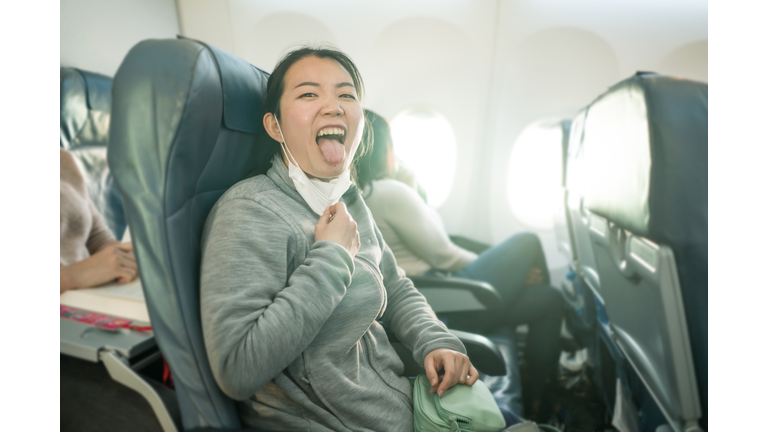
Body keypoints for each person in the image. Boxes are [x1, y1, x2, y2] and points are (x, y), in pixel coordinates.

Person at [199, 47, 520, 432]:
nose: (333, 107)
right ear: (275, 127)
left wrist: (436, 340)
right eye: (308, 94)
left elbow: (396, 286)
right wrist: (332, 256)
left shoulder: (346, 198)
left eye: (346, 94)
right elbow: (237, 368)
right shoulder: (250, 211)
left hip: (404, 404)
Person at [356, 109, 565, 419]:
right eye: (392, 145)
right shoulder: (389, 192)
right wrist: (515, 274)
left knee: (550, 301)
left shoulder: (373, 194)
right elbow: (446, 255)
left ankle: (539, 402)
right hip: (447, 299)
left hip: (444, 296)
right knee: (528, 243)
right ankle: (545, 400)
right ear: (381, 147)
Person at [60, 148, 136, 292]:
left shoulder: (62, 159)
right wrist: (73, 276)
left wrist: (130, 257)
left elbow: (97, 238)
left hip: (87, 296)